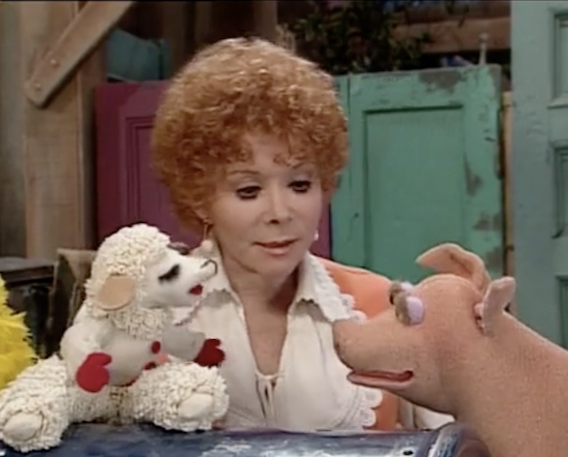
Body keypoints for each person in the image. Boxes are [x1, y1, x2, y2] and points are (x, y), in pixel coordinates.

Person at [150, 37, 452, 431]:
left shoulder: (378, 306)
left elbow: (456, 448)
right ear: (200, 198)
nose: (280, 213)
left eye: (300, 185)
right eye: (248, 190)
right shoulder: (151, 315)